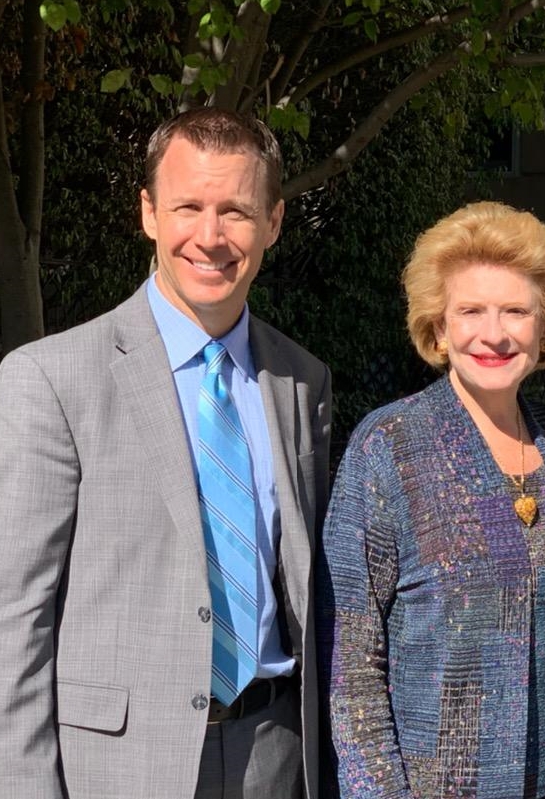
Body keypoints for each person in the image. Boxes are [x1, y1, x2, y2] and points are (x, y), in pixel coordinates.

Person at [0, 108, 331, 798]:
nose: (209, 237)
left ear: (273, 221)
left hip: (273, 753)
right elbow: (15, 616)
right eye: (188, 207)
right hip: (115, 765)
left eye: (236, 211)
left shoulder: (302, 380)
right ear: (148, 212)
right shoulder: (53, 378)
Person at [317, 201, 545, 799]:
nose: (493, 333)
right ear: (440, 327)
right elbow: (352, 657)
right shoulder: (389, 447)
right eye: (470, 310)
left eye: (515, 311)